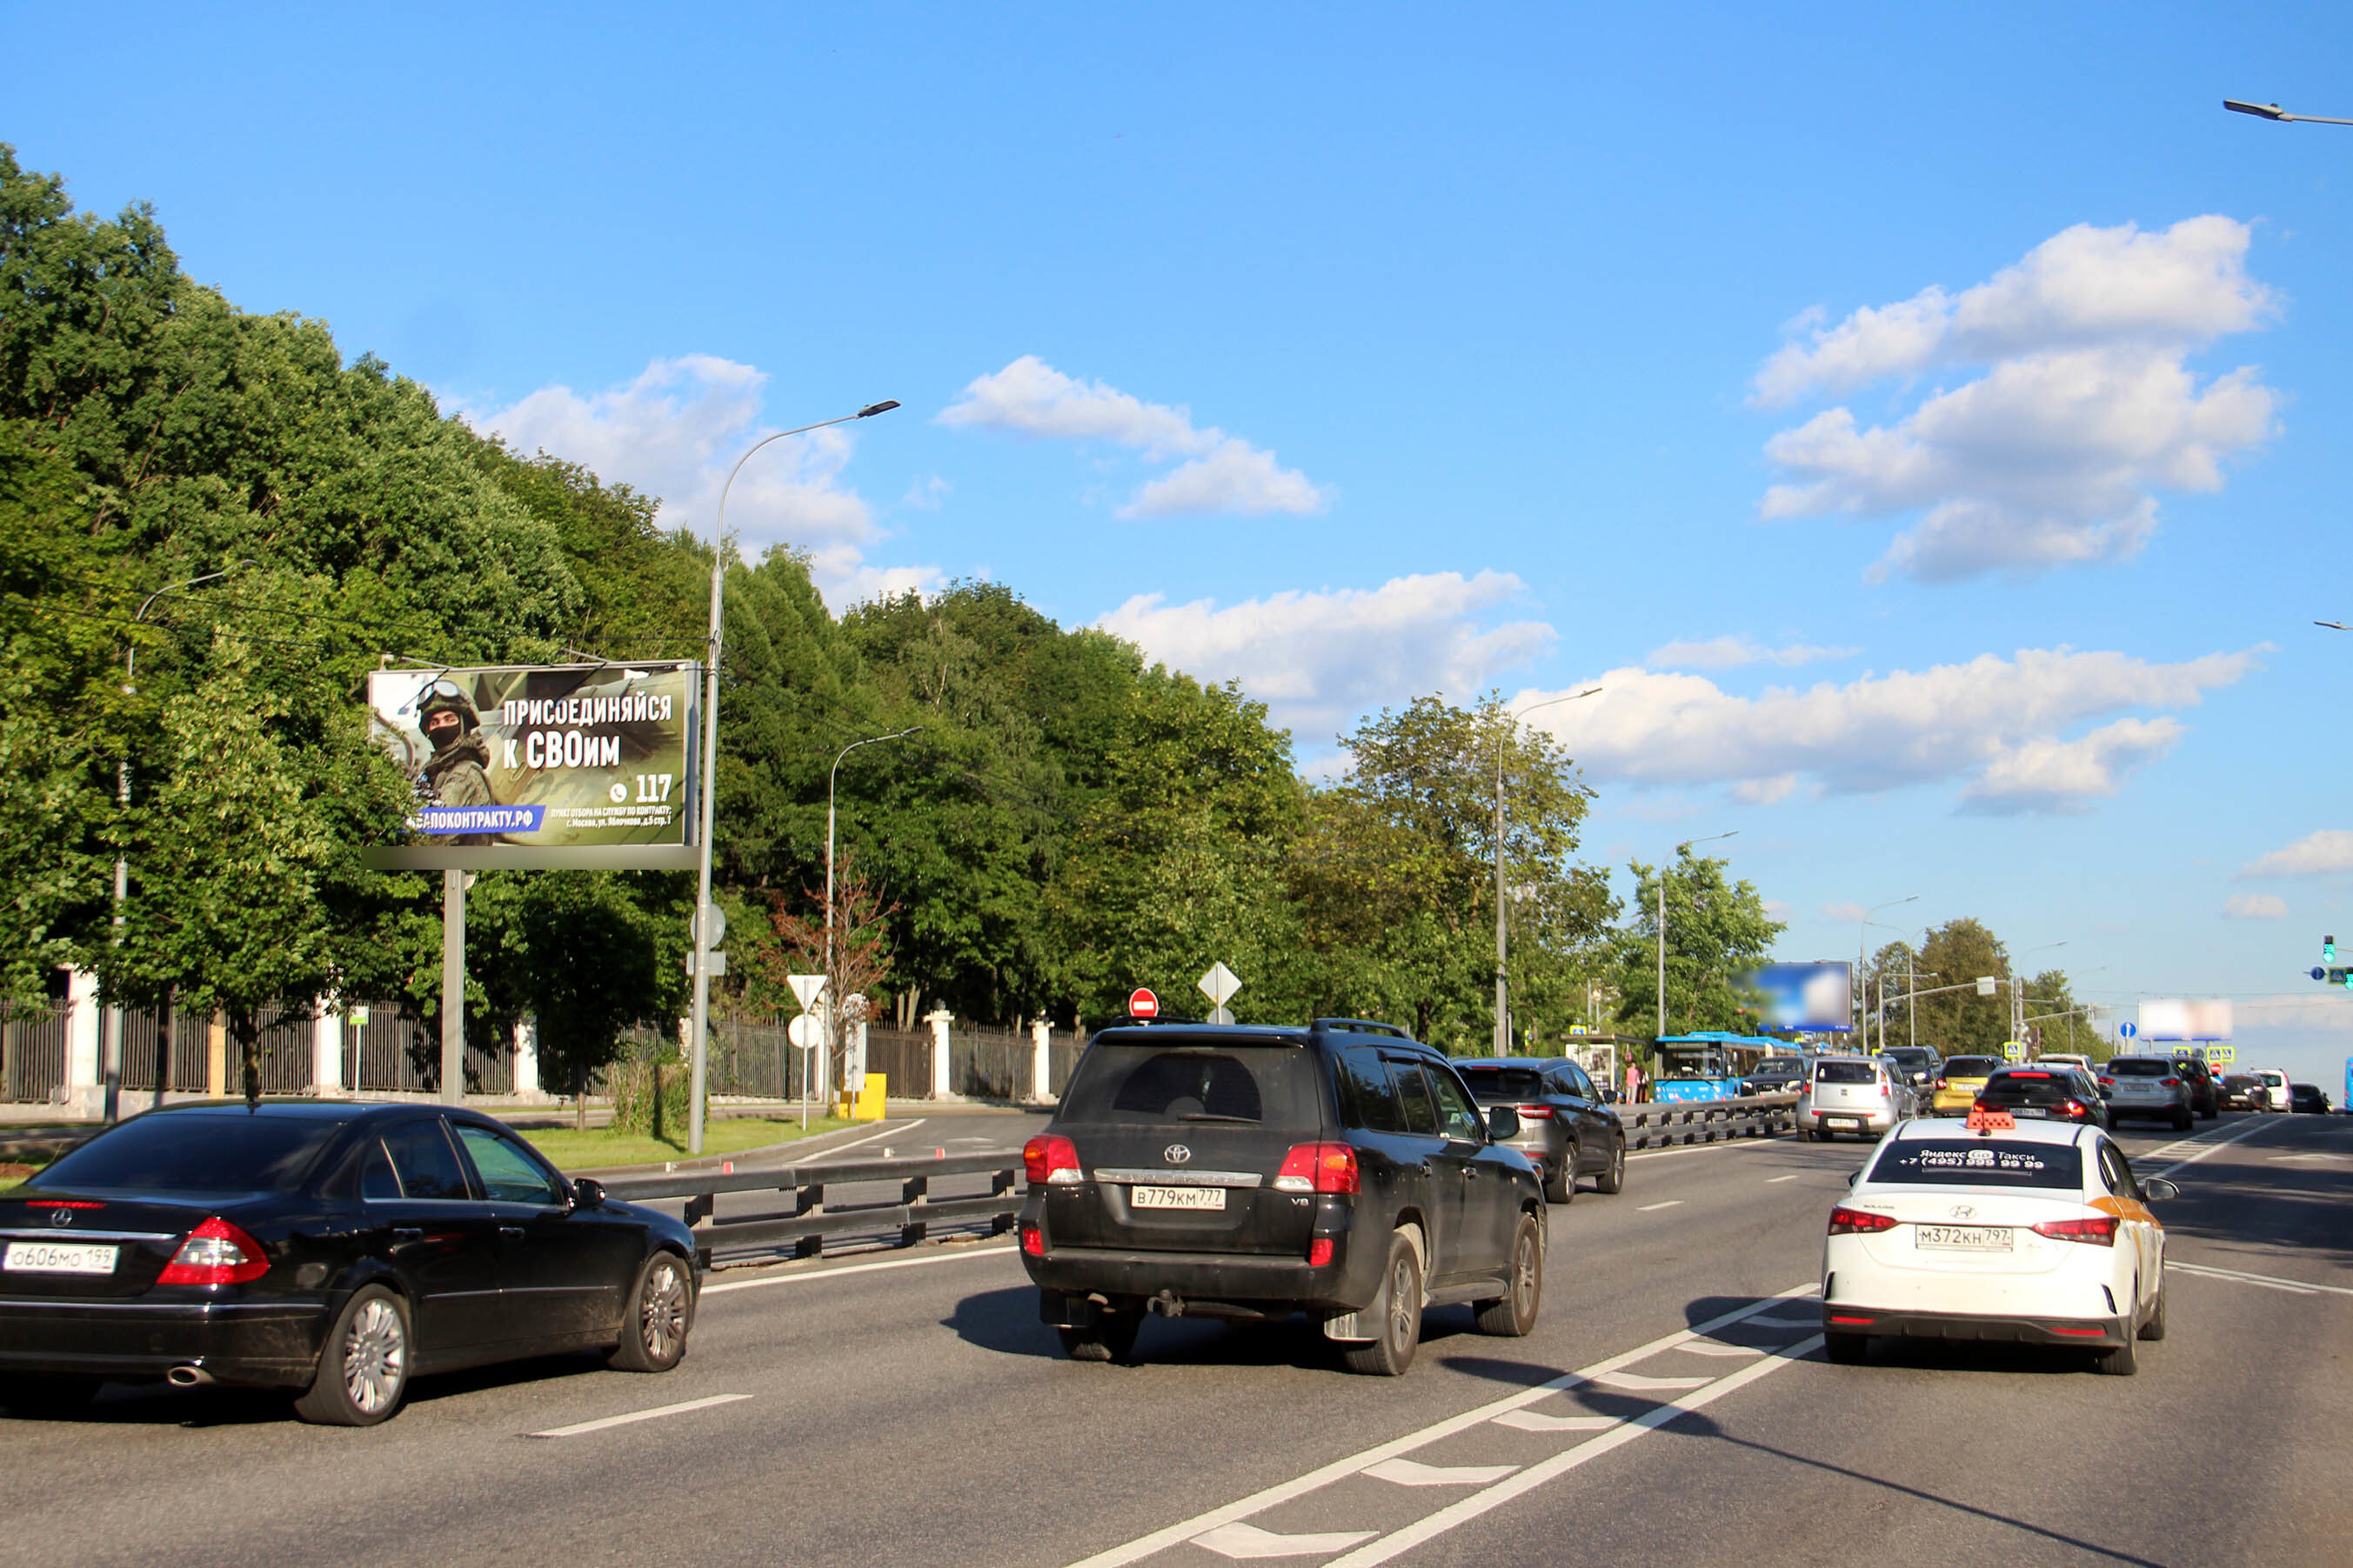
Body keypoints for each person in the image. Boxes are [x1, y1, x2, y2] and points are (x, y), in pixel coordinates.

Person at [416, 680, 497, 844]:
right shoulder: (433, 773)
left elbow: (437, 838)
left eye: (449, 719)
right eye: (434, 722)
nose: (442, 726)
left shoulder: (464, 774)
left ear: (463, 725)